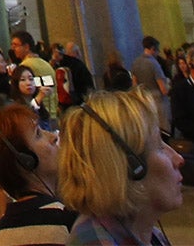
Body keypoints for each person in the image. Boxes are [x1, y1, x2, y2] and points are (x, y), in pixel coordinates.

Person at [57, 90, 184, 246]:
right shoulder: (96, 242)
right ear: (132, 167)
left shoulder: (149, 234)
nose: (179, 159)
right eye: (159, 146)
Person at [0, 101, 73, 245]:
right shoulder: (67, 219)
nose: (53, 136)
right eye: (38, 134)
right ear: (26, 161)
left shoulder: (3, 229)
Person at [12, 30, 59, 124]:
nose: (13, 48)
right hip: (53, 113)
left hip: (38, 115)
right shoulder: (46, 64)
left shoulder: (25, 66)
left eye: (15, 45)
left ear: (26, 47)